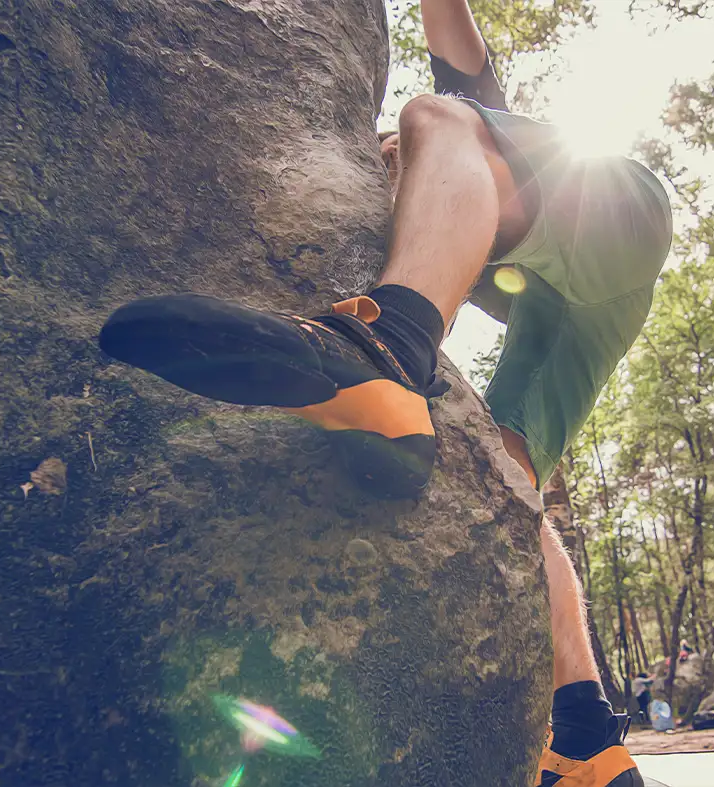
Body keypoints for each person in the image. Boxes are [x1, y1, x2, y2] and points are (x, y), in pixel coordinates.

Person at [99, 1, 670, 783]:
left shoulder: (485, 154)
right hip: (570, 312)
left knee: (437, 114)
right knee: (511, 489)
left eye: (396, 164)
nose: (393, 166)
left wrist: (423, 131)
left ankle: (388, 346)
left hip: (622, 207)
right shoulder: (469, 235)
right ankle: (587, 737)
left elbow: (464, 79)